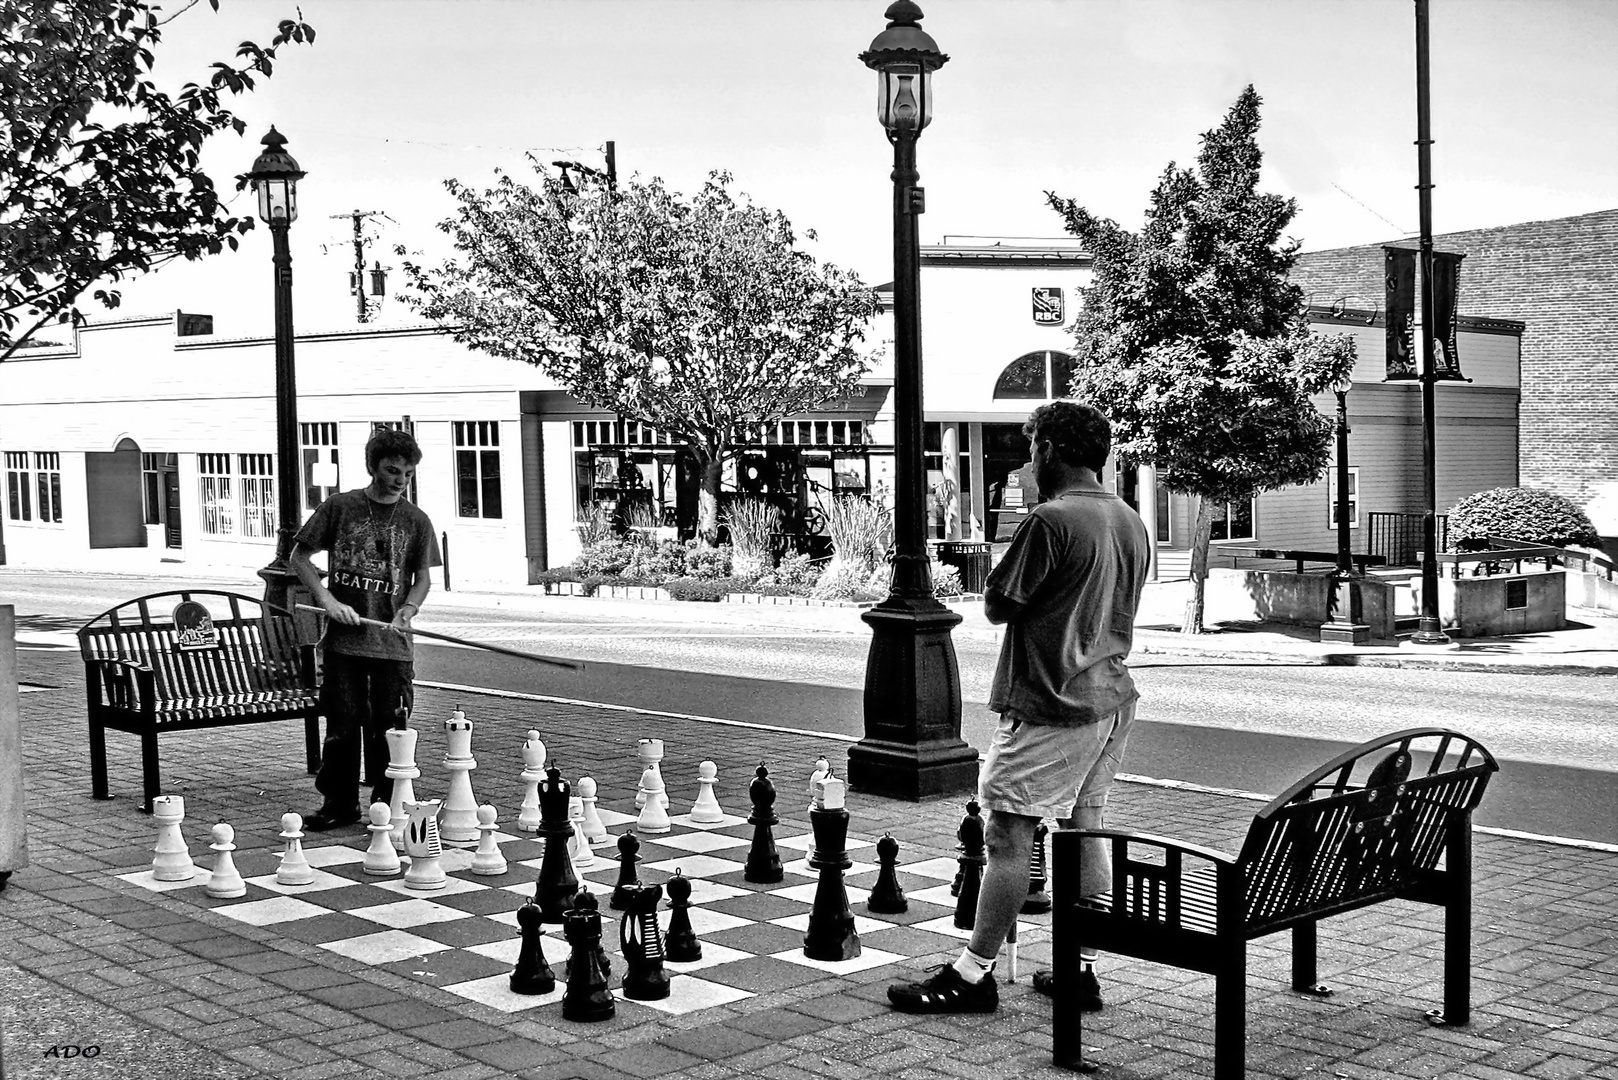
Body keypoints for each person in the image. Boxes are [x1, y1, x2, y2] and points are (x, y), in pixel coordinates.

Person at [887, 400, 1149, 1014]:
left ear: (1050, 451)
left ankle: (973, 974)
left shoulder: (1050, 520)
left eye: (1031, 449)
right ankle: (1079, 969)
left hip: (1053, 702)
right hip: (1110, 697)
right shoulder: (1129, 518)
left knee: (1008, 832)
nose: (1028, 461)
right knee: (1084, 829)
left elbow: (1000, 603)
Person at [292, 428, 442, 831]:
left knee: (390, 728)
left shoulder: (416, 520)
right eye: (392, 470)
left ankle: (388, 803)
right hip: (343, 643)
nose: (399, 480)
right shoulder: (340, 507)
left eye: (408, 474)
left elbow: (423, 578)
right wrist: (328, 601)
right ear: (373, 466)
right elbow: (299, 558)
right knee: (341, 728)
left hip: (392, 645)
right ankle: (338, 804)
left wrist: (408, 610)